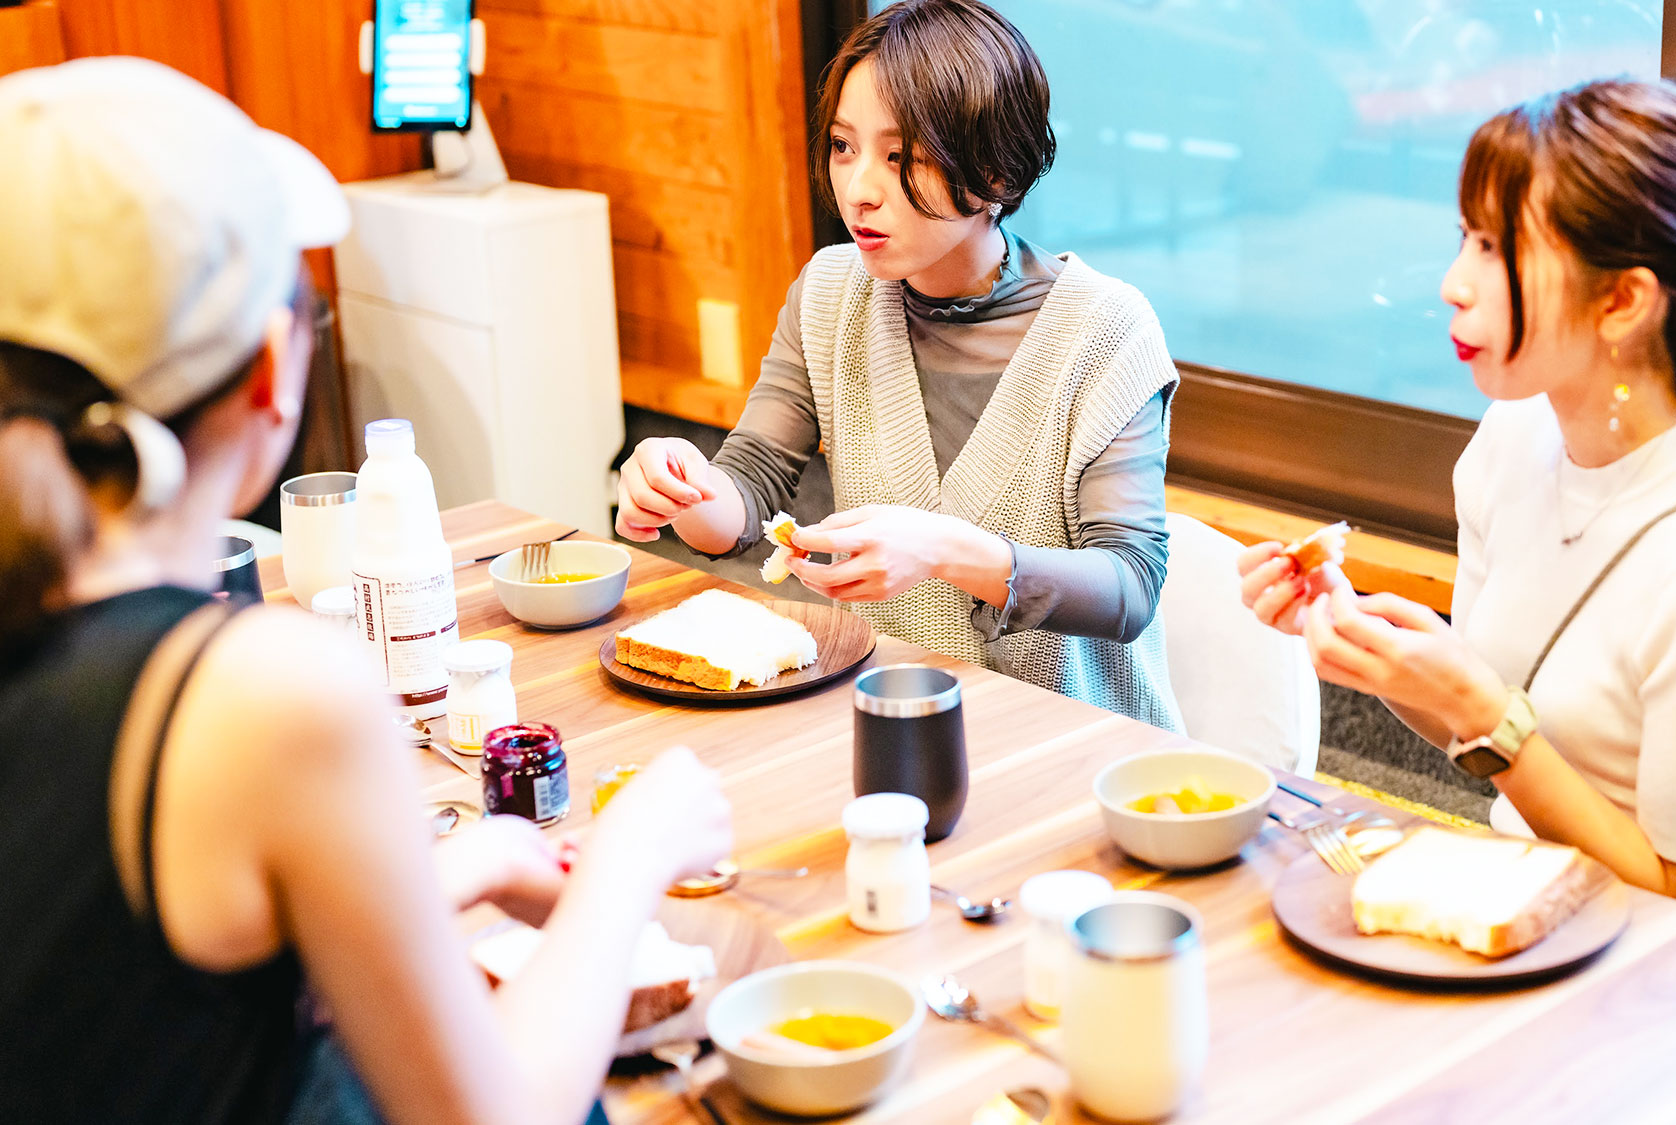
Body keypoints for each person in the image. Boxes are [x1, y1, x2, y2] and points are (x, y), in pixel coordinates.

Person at [0, 59, 731, 1123]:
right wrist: (632, 856)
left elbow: (97, 956)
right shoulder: (258, 692)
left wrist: (459, 866)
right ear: (272, 371)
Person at [1240, 79, 1676, 933]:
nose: (1453, 284)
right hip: (1531, 901)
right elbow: (1490, 734)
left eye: (1494, 247)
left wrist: (1483, 713)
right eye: (1465, 239)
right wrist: (1360, 643)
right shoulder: (1515, 436)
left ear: (1622, 300)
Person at [613, 0, 1183, 730]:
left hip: (1079, 747)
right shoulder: (830, 293)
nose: (859, 189)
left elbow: (1129, 589)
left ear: (995, 172)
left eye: (900, 155)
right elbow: (747, 497)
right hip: (893, 718)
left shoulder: (1105, 330)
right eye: (845, 147)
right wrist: (682, 486)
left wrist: (940, 548)